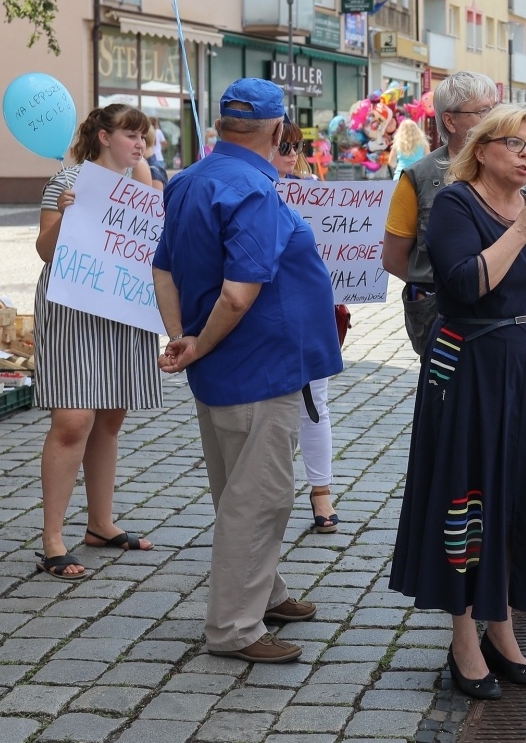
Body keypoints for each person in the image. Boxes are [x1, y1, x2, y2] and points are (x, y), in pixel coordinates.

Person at [152, 79, 342, 664]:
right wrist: (199, 345)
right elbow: (238, 295)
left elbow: (163, 270)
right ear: (276, 129)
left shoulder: (188, 180)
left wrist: (183, 337)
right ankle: (235, 627)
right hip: (259, 366)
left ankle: (265, 593)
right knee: (258, 498)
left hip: (227, 367)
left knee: (239, 486)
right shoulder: (253, 190)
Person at [390, 104, 526, 700]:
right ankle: (464, 637)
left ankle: (503, 626)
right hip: (468, 366)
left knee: (518, 496)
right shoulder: (454, 203)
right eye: (516, 144)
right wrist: (521, 231)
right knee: (468, 493)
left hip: (524, 368)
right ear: (484, 147)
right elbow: (466, 283)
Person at [31, 105, 163, 580]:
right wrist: (66, 215)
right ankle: (53, 539)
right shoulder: (67, 180)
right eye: (132, 135)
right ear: (105, 136)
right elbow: (45, 251)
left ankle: (101, 524)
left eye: (144, 137)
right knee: (73, 419)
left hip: (120, 308)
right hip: (72, 307)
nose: (140, 144)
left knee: (110, 416)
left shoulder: (142, 187)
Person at [382, 72, 498, 354]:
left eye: (495, 108)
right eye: (484, 111)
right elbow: (393, 258)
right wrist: (448, 287)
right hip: (442, 318)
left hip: (502, 315)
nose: (494, 118)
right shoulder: (418, 177)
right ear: (450, 120)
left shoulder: (506, 167)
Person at [272, 122, 342, 535]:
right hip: (264, 311)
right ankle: (271, 494)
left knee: (315, 402)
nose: (291, 152)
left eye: (298, 146)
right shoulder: (252, 189)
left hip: (311, 310)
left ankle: (321, 490)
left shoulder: (313, 189)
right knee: (271, 409)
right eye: (283, 144)